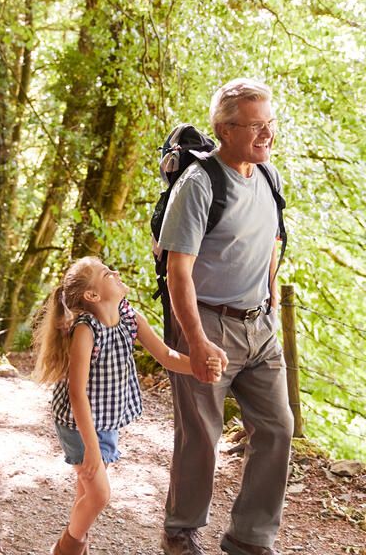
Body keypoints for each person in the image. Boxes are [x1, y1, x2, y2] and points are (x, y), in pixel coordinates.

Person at [158, 79, 293, 555]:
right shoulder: (199, 186)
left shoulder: (269, 177)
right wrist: (194, 340)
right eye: (255, 126)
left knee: (278, 428)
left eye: (269, 124)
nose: (267, 135)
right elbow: (178, 269)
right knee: (201, 435)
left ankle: (249, 538)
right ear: (224, 129)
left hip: (260, 327)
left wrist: (270, 297)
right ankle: (181, 530)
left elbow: (272, 242)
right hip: (208, 322)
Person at [32, 256, 221, 555]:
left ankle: (77, 542)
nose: (116, 272)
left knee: (88, 492)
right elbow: (77, 394)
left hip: (106, 421)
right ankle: (68, 546)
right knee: (100, 495)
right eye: (107, 273)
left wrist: (199, 368)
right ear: (92, 296)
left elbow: (166, 356)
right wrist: (92, 447)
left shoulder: (130, 318)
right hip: (77, 424)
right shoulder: (86, 331)